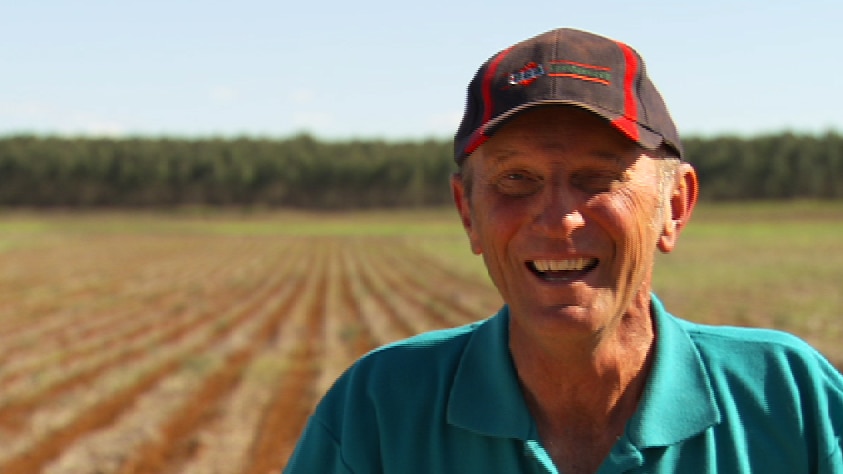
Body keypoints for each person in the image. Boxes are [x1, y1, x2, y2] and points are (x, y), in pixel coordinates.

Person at [283, 28, 843, 474]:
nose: (559, 218)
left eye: (598, 177)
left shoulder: (789, 399)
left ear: (674, 206)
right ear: (467, 213)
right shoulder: (382, 409)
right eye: (515, 179)